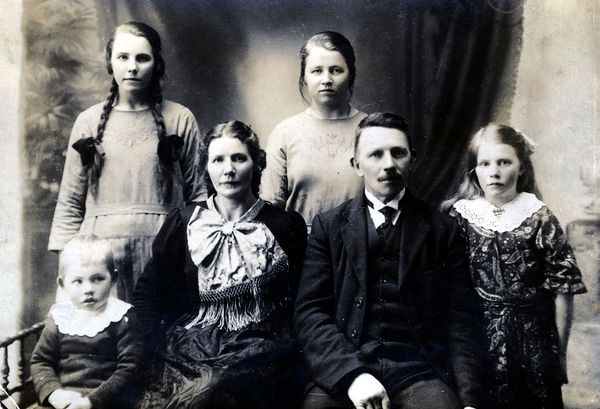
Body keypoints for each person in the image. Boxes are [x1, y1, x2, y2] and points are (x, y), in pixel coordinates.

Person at [295, 112, 483, 409]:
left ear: (412, 159)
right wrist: (354, 376)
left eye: (398, 153)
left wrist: (471, 400)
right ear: (356, 164)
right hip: (348, 366)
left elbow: (461, 319)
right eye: (375, 154)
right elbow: (310, 312)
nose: (389, 164)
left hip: (418, 372)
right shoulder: (328, 227)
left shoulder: (442, 230)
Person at [133, 121, 308, 409]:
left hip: (265, 348)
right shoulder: (185, 222)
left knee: (222, 386)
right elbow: (148, 294)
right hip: (192, 345)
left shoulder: (284, 225)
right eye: (218, 160)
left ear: (256, 164)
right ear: (207, 167)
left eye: (239, 158)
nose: (229, 169)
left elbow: (304, 300)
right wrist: (151, 348)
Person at [48, 22, 205, 302]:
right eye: (123, 57)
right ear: (110, 62)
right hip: (99, 259)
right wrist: (72, 267)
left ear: (156, 64)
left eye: (142, 58)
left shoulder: (180, 118)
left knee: (157, 326)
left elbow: (199, 196)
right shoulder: (88, 122)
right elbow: (70, 202)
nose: (132, 67)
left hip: (162, 253)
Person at [444, 124, 587, 408]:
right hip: (476, 339)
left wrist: (558, 353)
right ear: (474, 170)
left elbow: (563, 289)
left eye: (504, 162)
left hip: (533, 342)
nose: (494, 172)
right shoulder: (459, 216)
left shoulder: (539, 218)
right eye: (485, 164)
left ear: (521, 168)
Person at [261, 31, 367, 231]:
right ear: (304, 76)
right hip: (302, 245)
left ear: (350, 75)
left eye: (336, 70)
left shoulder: (370, 129)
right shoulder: (285, 132)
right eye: (317, 71)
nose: (326, 79)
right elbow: (271, 206)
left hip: (360, 243)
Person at [30, 235, 143, 409]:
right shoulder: (60, 317)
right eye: (78, 281)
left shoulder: (122, 318)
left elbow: (129, 369)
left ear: (113, 279)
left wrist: (92, 401)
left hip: (106, 401)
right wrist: (54, 393)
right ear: (62, 284)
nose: (88, 289)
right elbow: (41, 362)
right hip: (64, 401)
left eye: (97, 279)